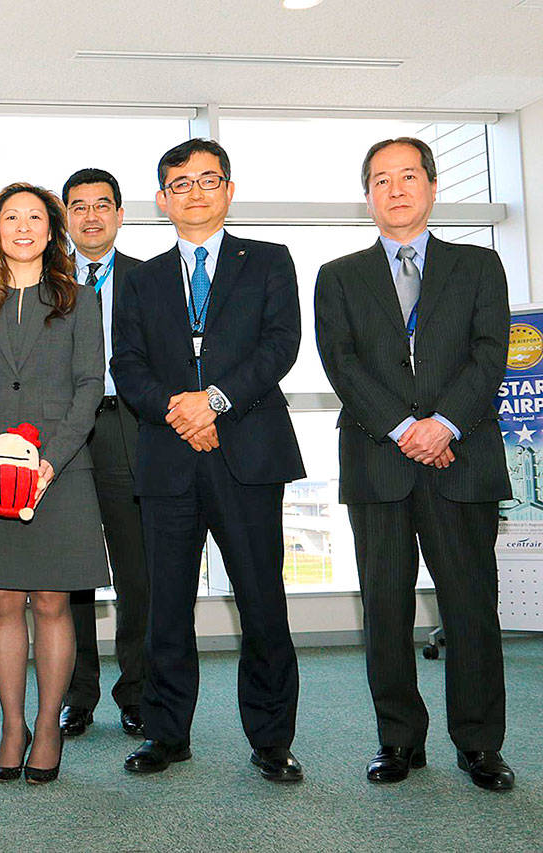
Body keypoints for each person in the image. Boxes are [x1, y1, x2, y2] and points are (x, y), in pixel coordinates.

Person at [314, 137, 514, 791]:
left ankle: (480, 744)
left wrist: (442, 424)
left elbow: (489, 354)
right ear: (366, 195)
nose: (395, 189)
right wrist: (405, 428)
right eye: (380, 179)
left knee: (471, 608)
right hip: (379, 459)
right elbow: (341, 364)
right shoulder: (338, 275)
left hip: (462, 456)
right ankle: (398, 739)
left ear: (430, 187)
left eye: (408, 176)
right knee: (387, 608)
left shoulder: (480, 265)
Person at [112, 138, 305, 783]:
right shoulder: (137, 279)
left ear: (228, 189)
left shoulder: (270, 261)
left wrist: (214, 403)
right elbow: (127, 366)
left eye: (207, 180)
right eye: (180, 184)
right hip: (168, 457)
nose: (195, 192)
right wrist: (181, 410)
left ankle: (272, 741)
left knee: (262, 600)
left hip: (248, 452)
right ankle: (166, 734)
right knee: (165, 604)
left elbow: (281, 347)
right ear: (163, 199)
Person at [0, 183, 108, 785]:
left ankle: (47, 726)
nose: (23, 226)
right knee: (4, 602)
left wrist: (49, 461)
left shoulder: (80, 300)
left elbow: (91, 386)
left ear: (51, 229)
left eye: (35, 217)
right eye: (11, 217)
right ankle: (12, 726)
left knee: (53, 602)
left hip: (57, 472)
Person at [57, 168, 149, 739]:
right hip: (63, 435)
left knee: (138, 570)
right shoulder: (42, 280)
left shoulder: (150, 279)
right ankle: (76, 693)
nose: (91, 216)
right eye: (79, 206)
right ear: (65, 217)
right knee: (71, 572)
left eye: (102, 205)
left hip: (127, 429)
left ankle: (136, 693)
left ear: (119, 214)